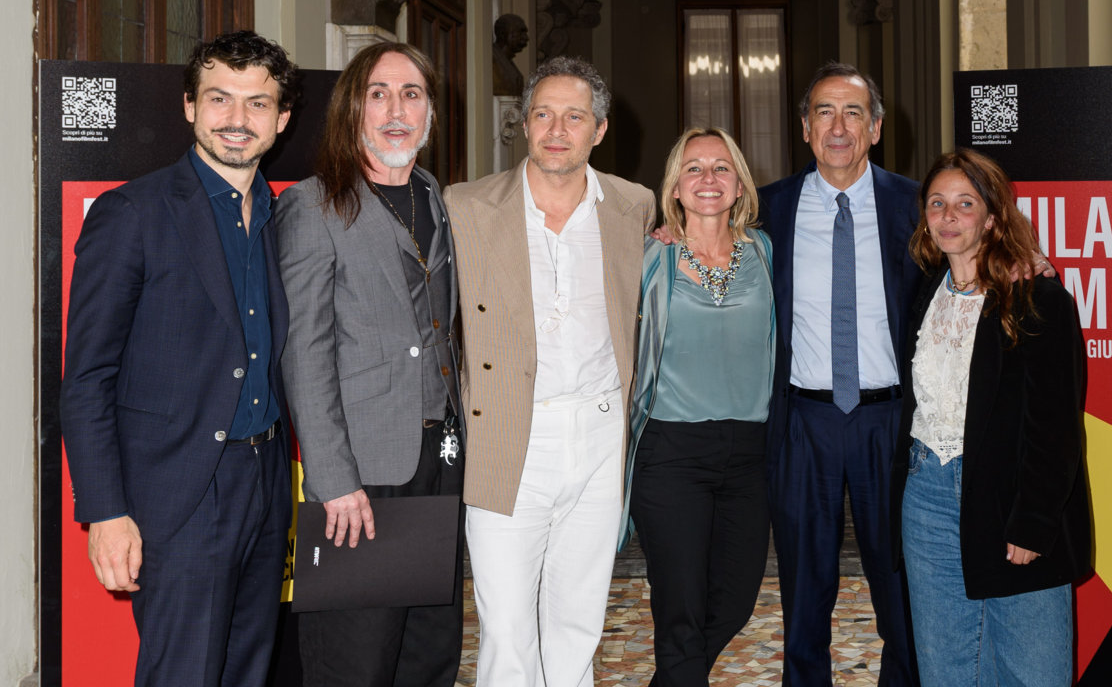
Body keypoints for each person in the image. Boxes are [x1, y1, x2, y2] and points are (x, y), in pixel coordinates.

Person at [60, 30, 299, 686]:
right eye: (219, 98)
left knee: (247, 670)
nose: (236, 118)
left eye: (257, 103)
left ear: (281, 119)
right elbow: (87, 378)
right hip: (180, 492)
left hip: (265, 479)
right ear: (190, 106)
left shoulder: (281, 217)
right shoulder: (132, 213)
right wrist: (105, 511)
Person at [444, 55, 655, 686]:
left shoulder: (634, 206)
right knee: (507, 628)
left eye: (574, 117)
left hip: (599, 433)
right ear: (524, 123)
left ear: (600, 129)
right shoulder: (466, 206)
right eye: (543, 114)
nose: (557, 130)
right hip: (509, 432)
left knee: (578, 621)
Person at [276, 42, 464, 686]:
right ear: (351, 109)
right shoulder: (313, 205)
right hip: (359, 474)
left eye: (412, 94)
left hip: (439, 462)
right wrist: (333, 479)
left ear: (430, 111)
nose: (396, 111)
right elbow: (304, 354)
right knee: (355, 659)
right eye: (377, 94)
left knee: (428, 653)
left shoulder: (434, 196)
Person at [892, 148, 1090, 685]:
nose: (948, 216)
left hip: (1010, 502)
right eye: (937, 203)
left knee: (1032, 670)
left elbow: (1055, 427)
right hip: (926, 499)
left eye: (965, 203)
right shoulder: (923, 290)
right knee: (946, 669)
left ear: (993, 219)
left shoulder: (1037, 298)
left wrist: (1034, 522)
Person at [757, 61, 922, 685]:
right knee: (804, 595)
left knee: (900, 591)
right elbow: (707, 244)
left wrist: (1025, 258)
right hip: (804, 421)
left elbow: (975, 253)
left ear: (875, 128)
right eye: (824, 112)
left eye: (853, 113)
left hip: (892, 421)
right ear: (805, 127)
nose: (838, 127)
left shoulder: (917, 205)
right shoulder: (767, 209)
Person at [622, 127, 775, 685]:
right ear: (674, 187)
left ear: (739, 185)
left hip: (749, 454)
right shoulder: (649, 256)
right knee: (681, 609)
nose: (708, 178)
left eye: (721, 168)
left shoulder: (764, 251)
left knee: (733, 602)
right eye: (694, 168)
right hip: (672, 451)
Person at [493, 14, 530, 96]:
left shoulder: (506, 60)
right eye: (521, 32)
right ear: (503, 34)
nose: (526, 38)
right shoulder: (492, 60)